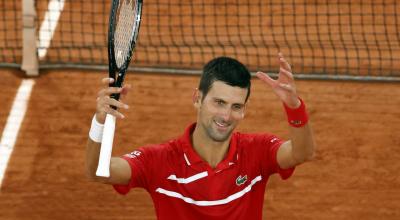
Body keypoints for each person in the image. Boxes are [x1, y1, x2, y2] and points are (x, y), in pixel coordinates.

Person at [86, 53, 316, 220]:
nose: (226, 116)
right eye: (219, 102)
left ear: (245, 109)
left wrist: (293, 106)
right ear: (197, 98)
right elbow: (99, 172)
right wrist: (100, 122)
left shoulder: (258, 150)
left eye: (236, 106)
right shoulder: (159, 161)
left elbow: (302, 153)